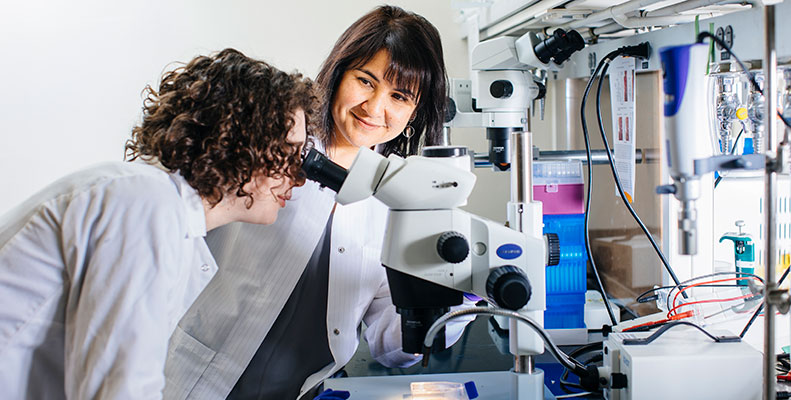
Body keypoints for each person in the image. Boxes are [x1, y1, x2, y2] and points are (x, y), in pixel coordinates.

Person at [164, 5, 473, 400]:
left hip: (302, 391)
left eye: (399, 96)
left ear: (413, 112)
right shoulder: (274, 144)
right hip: (192, 379)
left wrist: (465, 288)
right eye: (365, 81)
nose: (375, 108)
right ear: (338, 73)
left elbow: (392, 345)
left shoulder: (398, 203)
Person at [0, 48, 317, 399]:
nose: (299, 177)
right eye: (287, 153)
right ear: (240, 141)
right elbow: (120, 389)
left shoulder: (166, 213)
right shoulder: (146, 204)